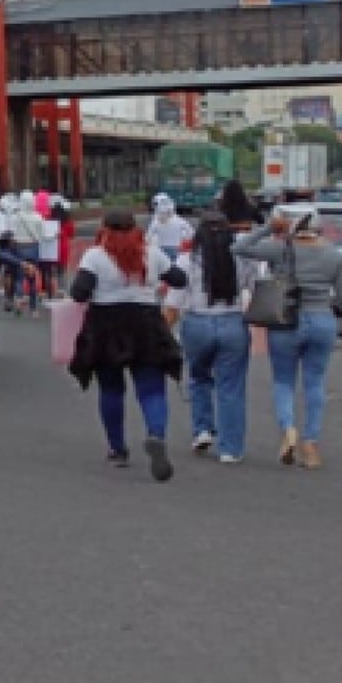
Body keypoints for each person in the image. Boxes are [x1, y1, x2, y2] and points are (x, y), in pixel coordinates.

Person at [234, 206, 342, 469]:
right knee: (315, 382)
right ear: (318, 227)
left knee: (283, 381)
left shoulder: (280, 249)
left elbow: (239, 249)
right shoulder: (334, 256)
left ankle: (288, 430)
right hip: (322, 321)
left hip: (286, 322)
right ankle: (310, 442)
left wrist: (268, 228)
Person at [68, 209, 187, 482]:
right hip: (146, 323)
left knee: (111, 389)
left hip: (106, 325)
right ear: (135, 229)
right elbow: (179, 279)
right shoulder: (151, 253)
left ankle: (117, 449)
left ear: (104, 229)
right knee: (151, 389)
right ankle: (156, 434)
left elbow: (78, 293)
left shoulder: (95, 256)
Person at [163, 213, 256, 463]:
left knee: (198, 377)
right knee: (231, 387)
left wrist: (162, 336)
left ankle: (202, 429)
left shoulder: (186, 261)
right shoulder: (242, 258)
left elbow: (173, 305)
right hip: (233, 323)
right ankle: (230, 448)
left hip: (197, 324)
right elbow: (256, 289)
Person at [148, 193, 193, 261]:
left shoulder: (156, 221)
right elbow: (190, 233)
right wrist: (183, 239)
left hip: (162, 249)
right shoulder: (179, 220)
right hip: (177, 248)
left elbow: (148, 236)